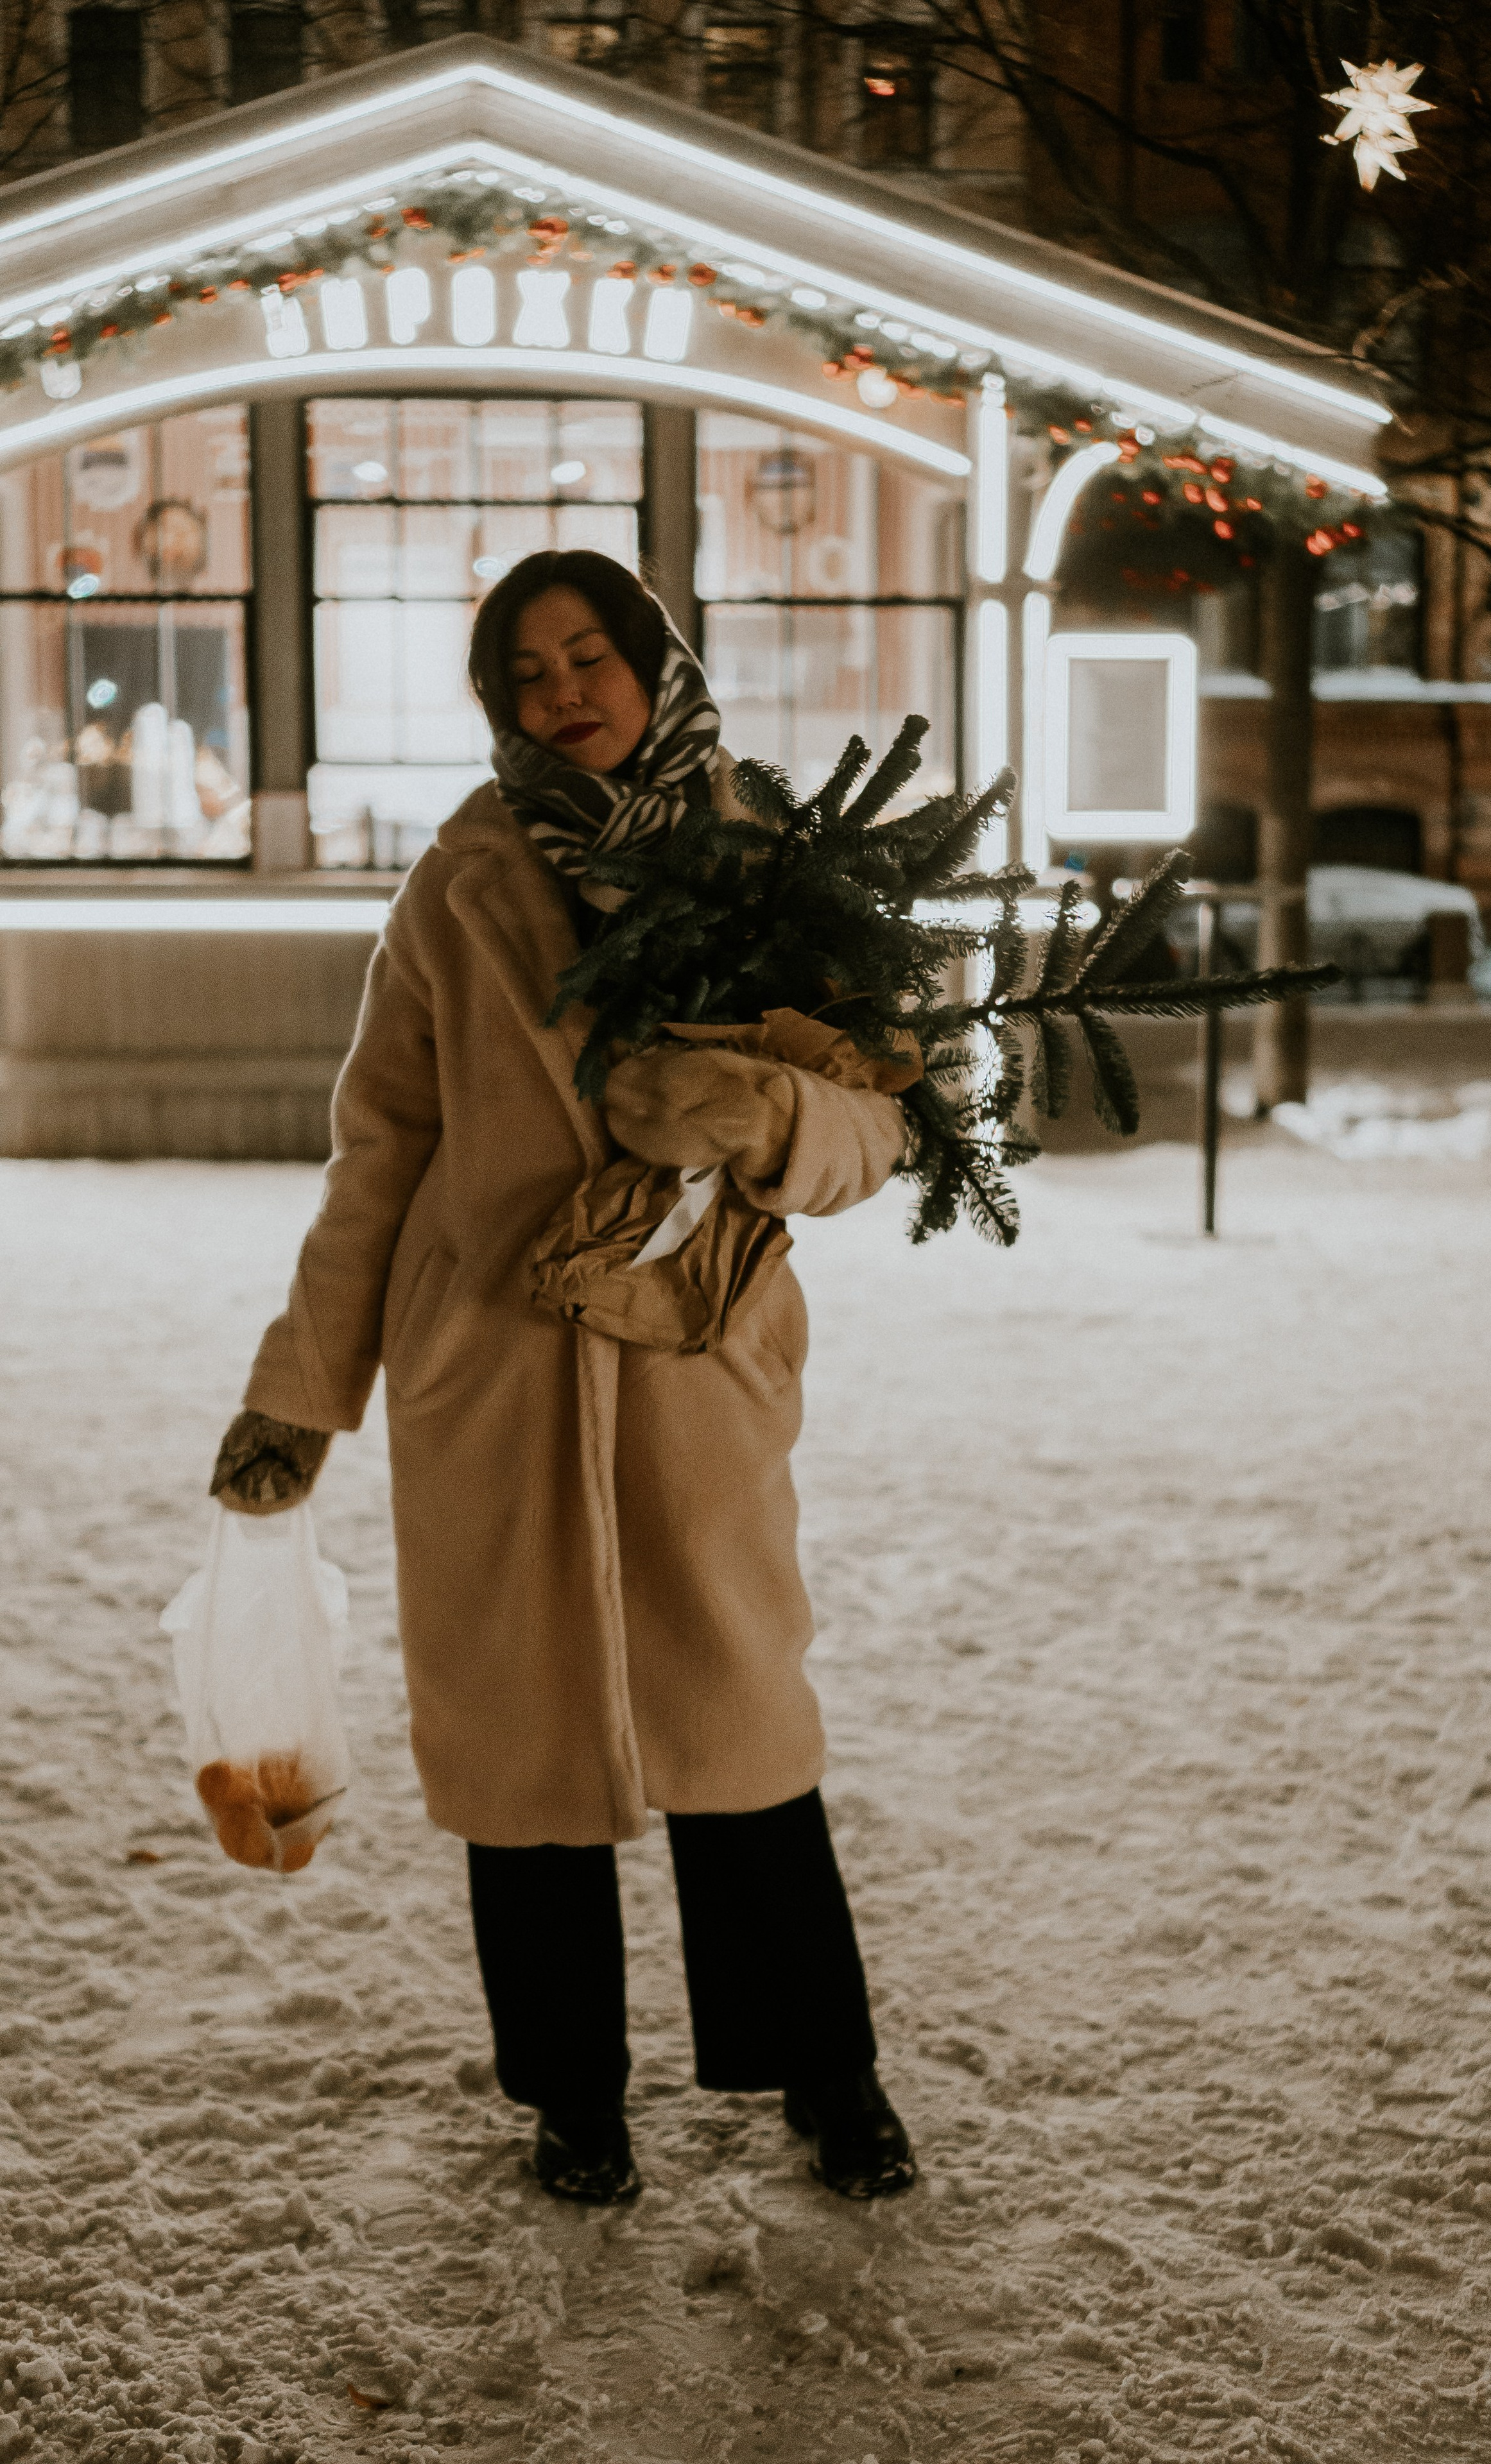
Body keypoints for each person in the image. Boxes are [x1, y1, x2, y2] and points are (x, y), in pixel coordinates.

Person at [209, 550, 917, 2208]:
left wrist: (766, 1115)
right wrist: (303, 1388)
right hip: (493, 1367)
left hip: (691, 1361)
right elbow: (380, 1153)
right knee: (521, 1759)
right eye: (524, 675)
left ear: (653, 663)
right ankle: (572, 2099)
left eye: (588, 655)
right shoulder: (457, 887)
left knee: (742, 1732)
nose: (562, 695)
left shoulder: (771, 868)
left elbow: (888, 1110)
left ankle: (828, 2073)